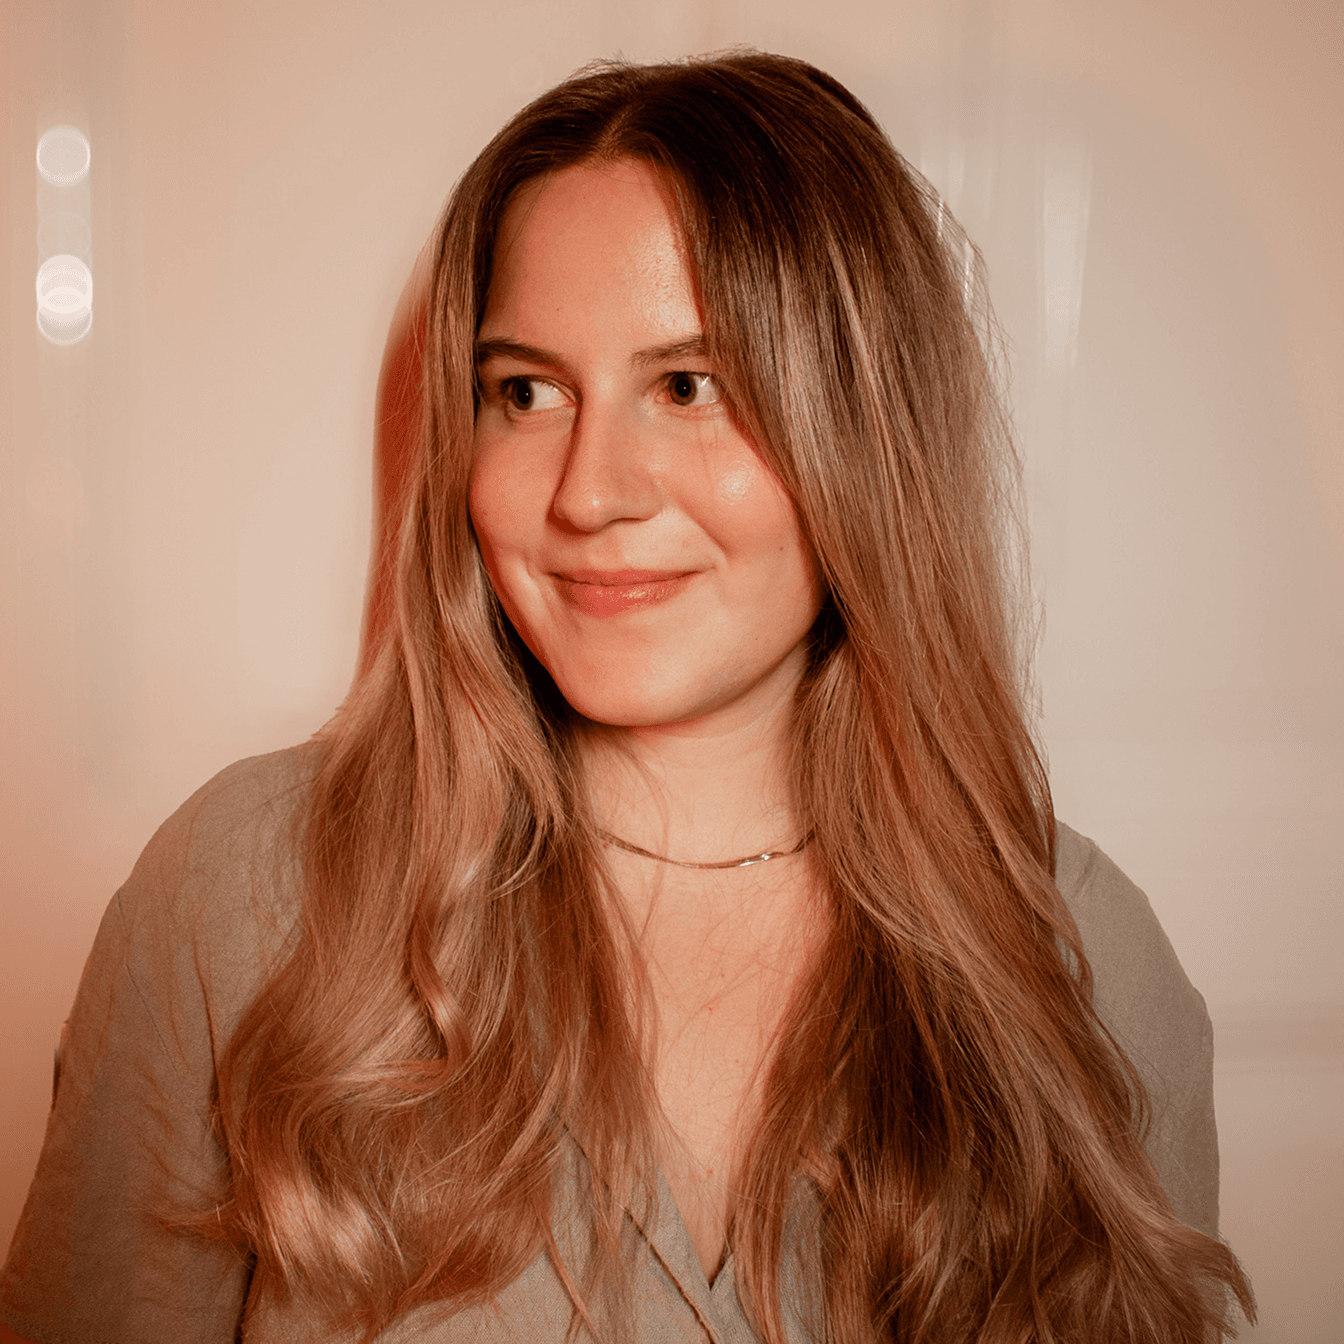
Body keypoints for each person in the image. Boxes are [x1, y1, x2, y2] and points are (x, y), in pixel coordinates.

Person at [0, 51, 1253, 1344]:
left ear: (866, 433)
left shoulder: (1081, 968)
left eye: (688, 386)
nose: (590, 491)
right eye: (527, 392)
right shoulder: (247, 897)